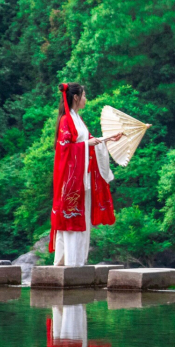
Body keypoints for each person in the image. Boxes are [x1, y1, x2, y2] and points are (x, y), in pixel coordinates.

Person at [49, 83, 122, 266]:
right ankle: (69, 263)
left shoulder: (77, 120)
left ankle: (78, 262)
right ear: (76, 97)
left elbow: (88, 141)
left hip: (83, 179)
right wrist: (87, 145)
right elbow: (64, 149)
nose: (85, 99)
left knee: (82, 221)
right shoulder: (66, 120)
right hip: (71, 181)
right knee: (71, 221)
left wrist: (108, 138)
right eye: (84, 95)